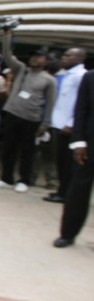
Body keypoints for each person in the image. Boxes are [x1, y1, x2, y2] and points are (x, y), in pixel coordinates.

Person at [0, 35, 55, 194]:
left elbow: (50, 103)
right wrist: (6, 34)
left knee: (27, 151)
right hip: (12, 114)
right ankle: (6, 178)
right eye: (34, 56)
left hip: (31, 119)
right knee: (9, 148)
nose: (35, 59)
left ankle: (24, 180)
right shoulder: (21, 70)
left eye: (39, 57)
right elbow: (7, 56)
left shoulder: (49, 80)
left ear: (46, 61)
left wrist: (45, 124)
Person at [55, 69, 94, 248]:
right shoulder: (90, 77)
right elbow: (81, 110)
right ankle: (68, 234)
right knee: (78, 190)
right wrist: (78, 142)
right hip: (89, 146)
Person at [44, 47, 87, 203]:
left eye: (68, 56)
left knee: (67, 163)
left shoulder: (81, 76)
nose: (64, 58)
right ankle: (62, 191)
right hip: (58, 123)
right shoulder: (66, 75)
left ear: (79, 58)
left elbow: (81, 104)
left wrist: (71, 123)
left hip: (68, 127)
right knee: (61, 161)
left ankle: (65, 194)